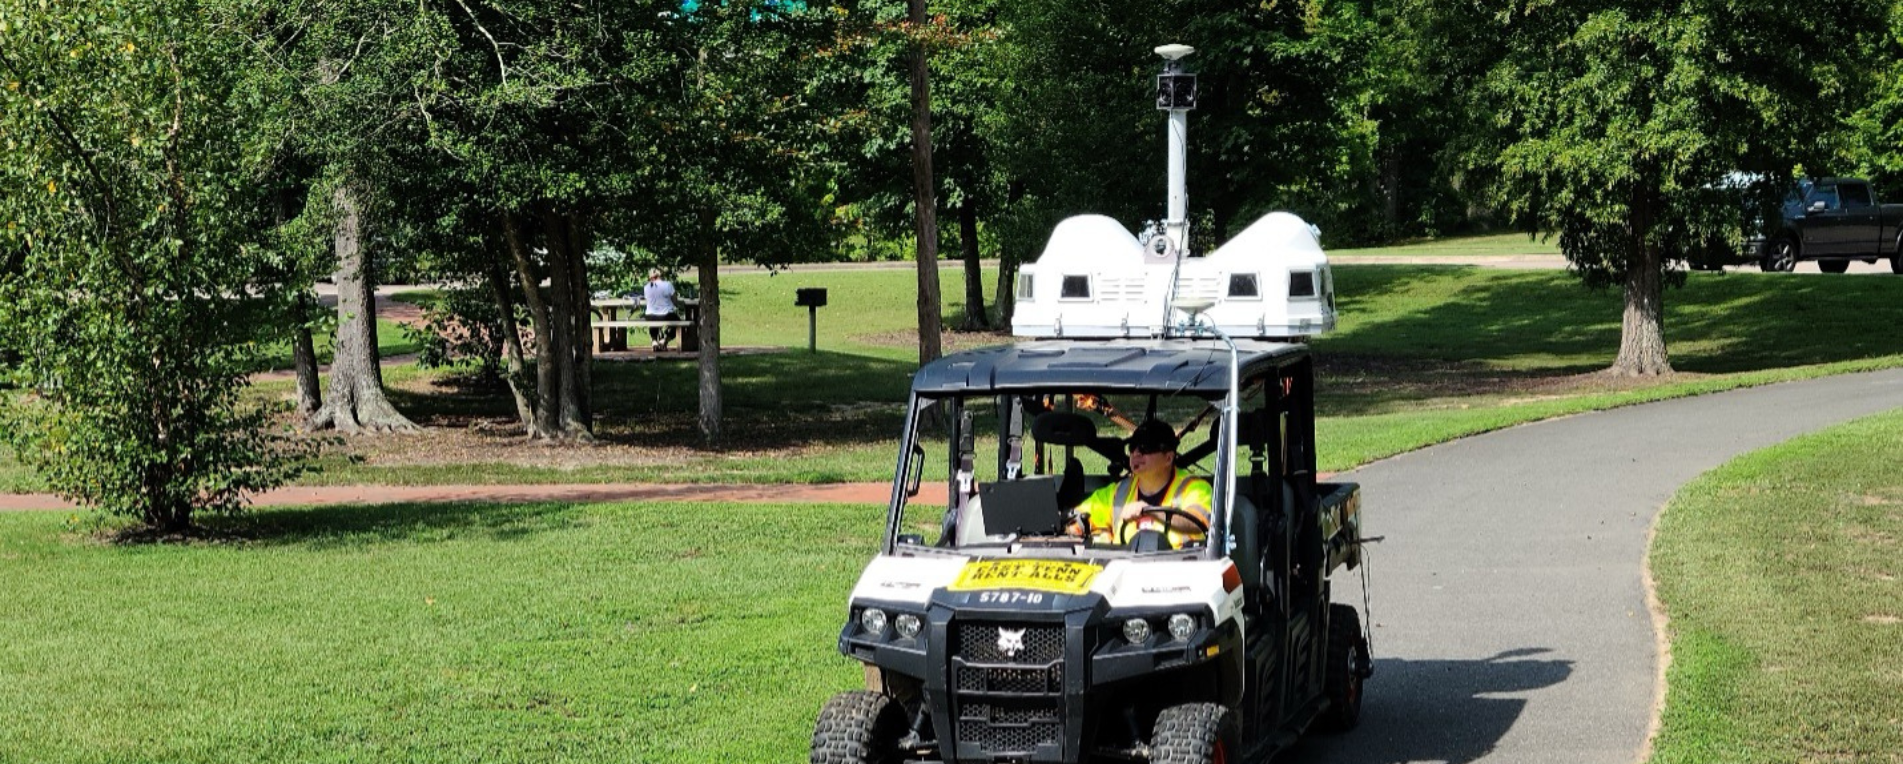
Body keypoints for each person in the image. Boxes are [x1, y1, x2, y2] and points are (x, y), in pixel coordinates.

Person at [1072, 418, 1212, 546]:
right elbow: (1075, 520)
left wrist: (1149, 512)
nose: (1136, 454)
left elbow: (1197, 522)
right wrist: (1101, 535)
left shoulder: (1195, 488)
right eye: (1132, 447)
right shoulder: (1119, 492)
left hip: (1180, 570)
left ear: (1168, 458)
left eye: (1146, 448)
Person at [642, 269, 678, 352]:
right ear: (660, 276)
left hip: (650, 315)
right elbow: (675, 301)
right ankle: (665, 340)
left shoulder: (646, 287)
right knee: (678, 323)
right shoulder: (667, 285)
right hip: (666, 315)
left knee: (653, 321)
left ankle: (654, 341)